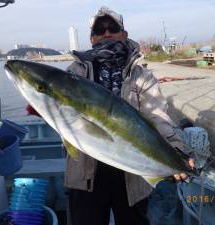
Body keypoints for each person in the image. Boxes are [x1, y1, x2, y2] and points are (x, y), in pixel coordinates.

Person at [62, 6, 195, 225]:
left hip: (132, 171)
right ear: (92, 38)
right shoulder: (75, 73)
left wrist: (176, 150)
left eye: (112, 28)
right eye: (99, 29)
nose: (106, 33)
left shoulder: (141, 76)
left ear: (124, 34)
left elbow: (157, 117)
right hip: (85, 172)